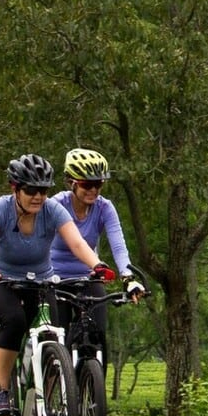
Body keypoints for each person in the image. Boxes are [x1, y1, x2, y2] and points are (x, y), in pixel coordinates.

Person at [0, 154, 118, 416]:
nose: (38, 197)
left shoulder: (52, 210)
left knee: (55, 334)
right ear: (15, 188)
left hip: (40, 282)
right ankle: (0, 391)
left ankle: (48, 407)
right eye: (31, 190)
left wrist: (97, 265)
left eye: (43, 190)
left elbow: (76, 243)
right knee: (15, 322)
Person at [47, 148, 146, 351]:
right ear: (71, 183)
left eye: (99, 184)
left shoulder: (105, 208)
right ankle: (52, 377)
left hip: (87, 276)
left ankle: (93, 378)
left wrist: (128, 278)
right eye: (87, 184)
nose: (93, 190)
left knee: (97, 337)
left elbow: (118, 245)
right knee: (59, 340)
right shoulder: (56, 205)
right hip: (55, 279)